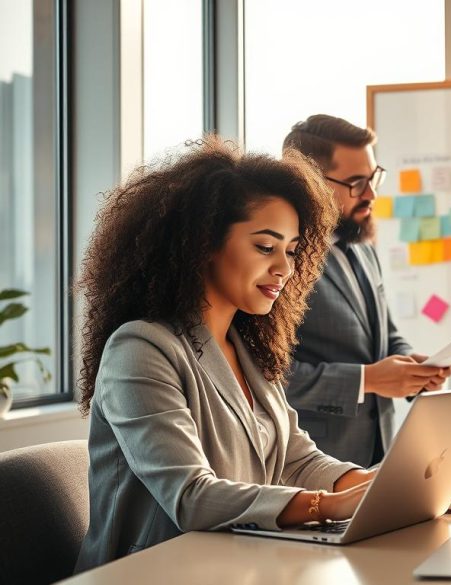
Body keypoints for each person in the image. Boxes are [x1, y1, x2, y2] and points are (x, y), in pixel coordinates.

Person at [75, 139, 375, 572]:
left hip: (241, 565)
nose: (285, 269)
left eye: (291, 251)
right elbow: (191, 496)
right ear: (204, 244)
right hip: (154, 575)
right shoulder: (140, 348)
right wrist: (324, 505)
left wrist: (375, 485)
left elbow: (297, 458)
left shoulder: (248, 350)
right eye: (265, 247)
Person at [281, 115, 450, 467]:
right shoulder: (280, 259)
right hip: (312, 465)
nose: (372, 193)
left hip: (379, 453)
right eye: (358, 183)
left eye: (374, 178)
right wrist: (368, 380)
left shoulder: (362, 246)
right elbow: (267, 375)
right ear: (309, 181)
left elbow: (385, 334)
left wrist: (414, 370)